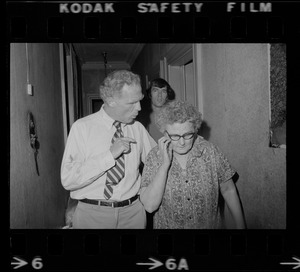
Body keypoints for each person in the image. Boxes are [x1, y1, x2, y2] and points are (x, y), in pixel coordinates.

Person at [61, 70, 156, 229]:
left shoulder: (137, 128)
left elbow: (157, 162)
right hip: (92, 215)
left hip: (133, 214)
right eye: (132, 103)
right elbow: (68, 179)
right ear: (111, 101)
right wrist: (109, 156)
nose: (139, 108)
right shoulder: (82, 128)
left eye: (140, 101)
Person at [140, 100, 246, 229]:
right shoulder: (154, 157)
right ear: (164, 132)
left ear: (195, 130)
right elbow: (150, 206)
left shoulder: (210, 152)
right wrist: (164, 165)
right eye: (174, 136)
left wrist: (241, 225)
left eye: (187, 135)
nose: (182, 142)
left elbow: (228, 190)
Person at [138, 78, 175, 142]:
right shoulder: (141, 116)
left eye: (163, 91)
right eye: (155, 91)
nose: (159, 95)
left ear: (167, 95)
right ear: (150, 94)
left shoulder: (173, 115)